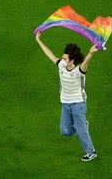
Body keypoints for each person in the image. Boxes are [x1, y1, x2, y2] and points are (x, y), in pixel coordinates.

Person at [35, 32, 98, 162]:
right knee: (65, 131)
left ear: (72, 59)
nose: (62, 57)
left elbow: (86, 62)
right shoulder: (61, 65)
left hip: (78, 104)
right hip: (65, 103)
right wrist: (38, 40)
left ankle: (91, 152)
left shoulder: (79, 70)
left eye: (65, 56)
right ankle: (83, 127)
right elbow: (49, 54)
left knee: (81, 130)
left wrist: (91, 52)